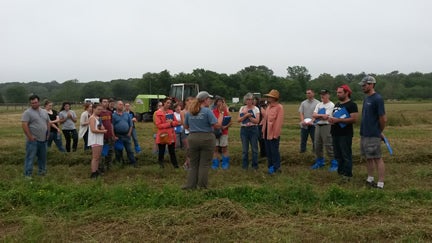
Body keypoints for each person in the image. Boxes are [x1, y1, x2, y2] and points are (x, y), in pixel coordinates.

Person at [182, 91, 224, 190]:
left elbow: (186, 126)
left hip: (192, 138)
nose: (210, 101)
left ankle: (190, 185)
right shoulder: (207, 111)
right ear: (205, 100)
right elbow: (217, 125)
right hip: (207, 138)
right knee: (204, 164)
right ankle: (202, 186)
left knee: (194, 164)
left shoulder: (190, 111)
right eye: (209, 99)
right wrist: (221, 113)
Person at [359, 76, 387, 189]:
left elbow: (383, 119)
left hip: (373, 134)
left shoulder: (377, 99)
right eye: (362, 85)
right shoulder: (366, 98)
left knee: (377, 158)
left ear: (371, 85)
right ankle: (370, 179)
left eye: (364, 85)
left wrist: (379, 131)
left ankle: (380, 183)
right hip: (364, 133)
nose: (363, 87)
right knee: (368, 157)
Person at [328, 85, 358, 182]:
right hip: (335, 133)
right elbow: (335, 117)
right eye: (337, 92)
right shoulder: (337, 104)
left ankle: (348, 175)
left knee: (346, 155)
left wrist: (339, 120)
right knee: (338, 155)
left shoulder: (352, 105)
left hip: (345, 134)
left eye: (340, 92)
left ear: (347, 93)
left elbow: (354, 119)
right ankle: (340, 172)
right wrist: (331, 120)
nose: (338, 94)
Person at [22, 95, 50, 178]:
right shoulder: (27, 113)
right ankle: (28, 174)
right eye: (32, 103)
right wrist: (30, 137)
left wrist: (48, 134)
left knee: (43, 157)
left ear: (39, 102)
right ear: (30, 103)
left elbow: (48, 122)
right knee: (30, 157)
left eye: (36, 102)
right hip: (33, 140)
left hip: (43, 139)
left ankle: (42, 172)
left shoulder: (44, 112)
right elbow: (24, 125)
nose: (34, 104)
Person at [310, 89, 337, 171]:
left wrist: (318, 115)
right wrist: (320, 115)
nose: (322, 96)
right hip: (318, 126)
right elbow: (314, 115)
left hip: (327, 126)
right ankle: (320, 162)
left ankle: (334, 163)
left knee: (328, 145)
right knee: (317, 145)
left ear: (328, 95)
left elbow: (326, 117)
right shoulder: (319, 104)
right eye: (321, 94)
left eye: (324, 94)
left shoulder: (331, 105)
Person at [261, 89, 284, 174]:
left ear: (274, 98)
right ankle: (270, 167)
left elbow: (278, 122)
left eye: (270, 97)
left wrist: (276, 134)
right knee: (268, 151)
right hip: (266, 132)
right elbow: (266, 119)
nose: (268, 98)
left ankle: (276, 167)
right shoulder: (268, 107)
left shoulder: (279, 107)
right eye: (268, 97)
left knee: (274, 151)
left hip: (273, 133)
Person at [238, 93, 260, 170]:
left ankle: (255, 166)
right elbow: (239, 120)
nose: (249, 101)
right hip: (244, 130)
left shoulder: (256, 109)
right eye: (248, 99)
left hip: (253, 129)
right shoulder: (242, 108)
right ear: (245, 100)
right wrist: (245, 116)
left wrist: (249, 117)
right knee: (245, 150)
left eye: (251, 99)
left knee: (254, 149)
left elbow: (257, 121)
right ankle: (245, 166)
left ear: (253, 100)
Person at [154, 98, 179, 168]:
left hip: (171, 134)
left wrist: (171, 123)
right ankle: (161, 165)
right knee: (161, 151)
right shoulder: (158, 113)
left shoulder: (171, 112)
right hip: (163, 135)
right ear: (163, 103)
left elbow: (176, 122)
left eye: (170, 103)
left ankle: (175, 165)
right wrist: (169, 124)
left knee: (172, 151)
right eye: (167, 103)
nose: (169, 104)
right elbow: (158, 125)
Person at [112, 100, 138, 167]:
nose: (121, 106)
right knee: (118, 150)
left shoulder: (127, 115)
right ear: (116, 106)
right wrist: (114, 136)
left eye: (122, 105)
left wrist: (129, 133)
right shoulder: (113, 116)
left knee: (129, 150)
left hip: (126, 135)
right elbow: (112, 126)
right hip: (118, 135)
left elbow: (131, 125)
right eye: (120, 104)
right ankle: (119, 163)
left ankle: (133, 163)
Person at [212, 96, 232, 170]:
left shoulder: (226, 112)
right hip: (215, 132)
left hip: (224, 132)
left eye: (221, 102)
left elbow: (231, 122)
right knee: (215, 148)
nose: (220, 103)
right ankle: (215, 163)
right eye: (218, 101)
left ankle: (225, 163)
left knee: (224, 148)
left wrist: (226, 126)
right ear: (216, 103)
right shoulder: (213, 112)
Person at [88, 103, 107, 179]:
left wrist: (102, 128)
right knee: (95, 157)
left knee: (98, 157)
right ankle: (93, 173)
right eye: (98, 109)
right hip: (95, 139)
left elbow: (101, 127)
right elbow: (93, 130)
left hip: (99, 139)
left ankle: (96, 170)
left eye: (101, 109)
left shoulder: (98, 118)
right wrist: (103, 131)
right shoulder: (92, 118)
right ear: (94, 109)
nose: (100, 111)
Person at [298, 89, 319, 153]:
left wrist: (312, 121)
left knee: (314, 139)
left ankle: (315, 152)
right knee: (303, 139)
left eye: (309, 93)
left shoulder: (318, 103)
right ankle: (302, 151)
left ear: (313, 94)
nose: (308, 94)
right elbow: (301, 113)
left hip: (314, 124)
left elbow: (317, 114)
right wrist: (303, 121)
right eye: (307, 93)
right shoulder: (303, 103)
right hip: (304, 124)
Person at [99, 97, 115, 172]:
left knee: (110, 151)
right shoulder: (99, 113)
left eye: (107, 102)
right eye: (104, 101)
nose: (106, 103)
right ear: (101, 103)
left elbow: (111, 124)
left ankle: (109, 165)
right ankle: (102, 167)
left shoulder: (109, 113)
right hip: (102, 136)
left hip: (110, 135)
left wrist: (113, 134)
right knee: (103, 152)